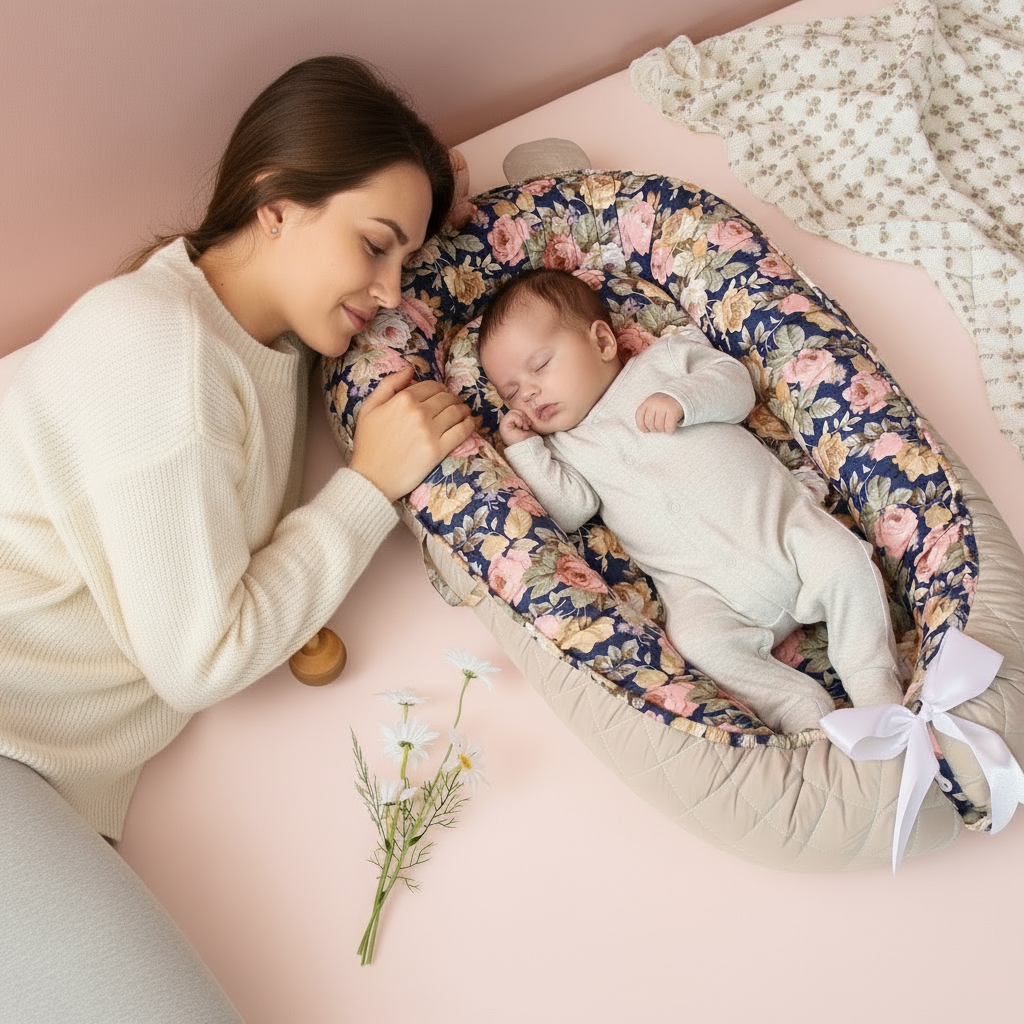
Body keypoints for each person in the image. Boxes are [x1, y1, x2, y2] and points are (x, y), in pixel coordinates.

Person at [0, 55, 473, 1022]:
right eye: (375, 246)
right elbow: (200, 659)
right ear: (275, 202)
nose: (390, 290)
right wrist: (369, 488)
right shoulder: (162, 356)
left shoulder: (249, 338)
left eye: (405, 264)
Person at [478, 268, 903, 734]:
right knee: (697, 641)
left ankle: (874, 687)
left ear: (602, 342)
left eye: (539, 366)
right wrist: (525, 450)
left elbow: (736, 385)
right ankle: (801, 710)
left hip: (778, 530)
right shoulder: (564, 448)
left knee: (845, 562)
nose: (529, 392)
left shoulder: (661, 364)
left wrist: (682, 397)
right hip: (702, 589)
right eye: (511, 392)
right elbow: (568, 510)